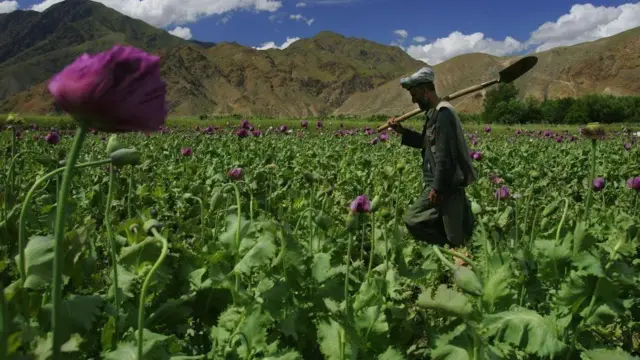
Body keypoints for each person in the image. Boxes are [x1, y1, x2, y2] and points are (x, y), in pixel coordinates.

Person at [388, 66, 477, 247]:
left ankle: (453, 252)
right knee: (453, 233)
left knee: (423, 224)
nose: (413, 100)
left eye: (414, 95)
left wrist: (437, 187)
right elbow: (426, 143)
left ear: (424, 91)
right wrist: (401, 131)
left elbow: (446, 156)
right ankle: (451, 253)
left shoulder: (443, 114)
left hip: (446, 185)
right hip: (439, 183)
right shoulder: (433, 114)